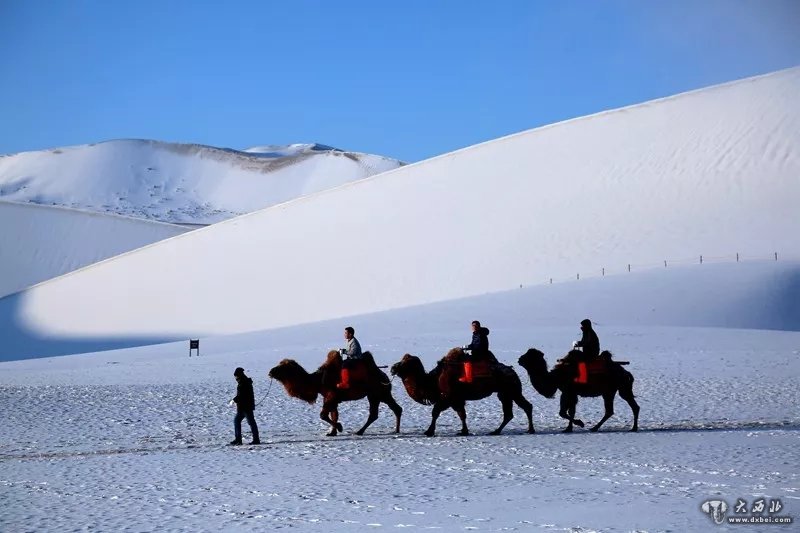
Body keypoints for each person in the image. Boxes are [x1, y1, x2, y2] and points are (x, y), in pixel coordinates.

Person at [230, 367, 260, 445]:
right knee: (238, 421)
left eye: (236, 376)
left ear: (239, 375)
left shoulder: (243, 383)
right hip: (243, 407)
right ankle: (238, 439)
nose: (235, 378)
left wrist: (234, 400)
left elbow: (241, 395)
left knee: (251, 422)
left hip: (246, 407)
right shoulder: (243, 382)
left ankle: (255, 440)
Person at [572, 319, 600, 384]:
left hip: (592, 353)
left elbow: (586, 343)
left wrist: (578, 344)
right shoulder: (586, 332)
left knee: (581, 361)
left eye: (583, 326)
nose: (581, 327)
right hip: (588, 351)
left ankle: (582, 377)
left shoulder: (589, 333)